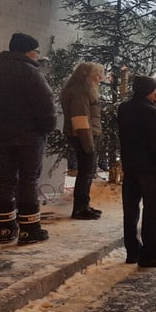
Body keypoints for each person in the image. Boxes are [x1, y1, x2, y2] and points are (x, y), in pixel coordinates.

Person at [0, 33, 56, 245]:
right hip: (30, 137)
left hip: (2, 135)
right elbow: (47, 107)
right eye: (37, 52)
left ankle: (5, 229)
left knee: (6, 180)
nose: (37, 56)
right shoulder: (31, 74)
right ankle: (29, 229)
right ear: (28, 51)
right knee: (28, 180)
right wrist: (46, 128)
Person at [117, 76, 156, 267]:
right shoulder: (152, 112)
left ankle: (132, 251)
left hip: (130, 165)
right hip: (151, 167)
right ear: (150, 91)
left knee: (130, 210)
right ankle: (149, 254)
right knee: (151, 211)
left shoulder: (124, 108)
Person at [60, 62, 106, 220]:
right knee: (86, 172)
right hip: (83, 135)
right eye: (97, 74)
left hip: (85, 134)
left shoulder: (83, 89)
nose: (100, 78)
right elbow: (80, 119)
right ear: (86, 75)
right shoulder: (80, 91)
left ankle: (84, 205)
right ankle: (80, 208)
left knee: (87, 172)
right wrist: (88, 145)